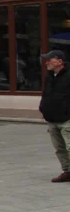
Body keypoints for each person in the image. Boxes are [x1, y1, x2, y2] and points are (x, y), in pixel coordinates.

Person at [39, 50, 70, 182]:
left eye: (49, 59)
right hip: (52, 119)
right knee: (59, 148)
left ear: (60, 61)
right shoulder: (50, 76)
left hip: (66, 119)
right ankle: (67, 171)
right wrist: (43, 109)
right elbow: (46, 94)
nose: (46, 62)